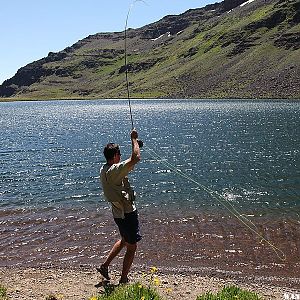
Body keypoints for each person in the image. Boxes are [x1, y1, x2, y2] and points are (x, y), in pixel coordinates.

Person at [97, 128, 141, 284]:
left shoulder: (104, 169)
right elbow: (135, 158)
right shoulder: (114, 170)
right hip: (127, 214)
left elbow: (128, 163)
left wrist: (136, 147)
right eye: (119, 154)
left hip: (118, 214)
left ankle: (105, 266)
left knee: (124, 240)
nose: (121, 157)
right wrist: (134, 139)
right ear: (115, 156)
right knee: (132, 246)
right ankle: (123, 279)